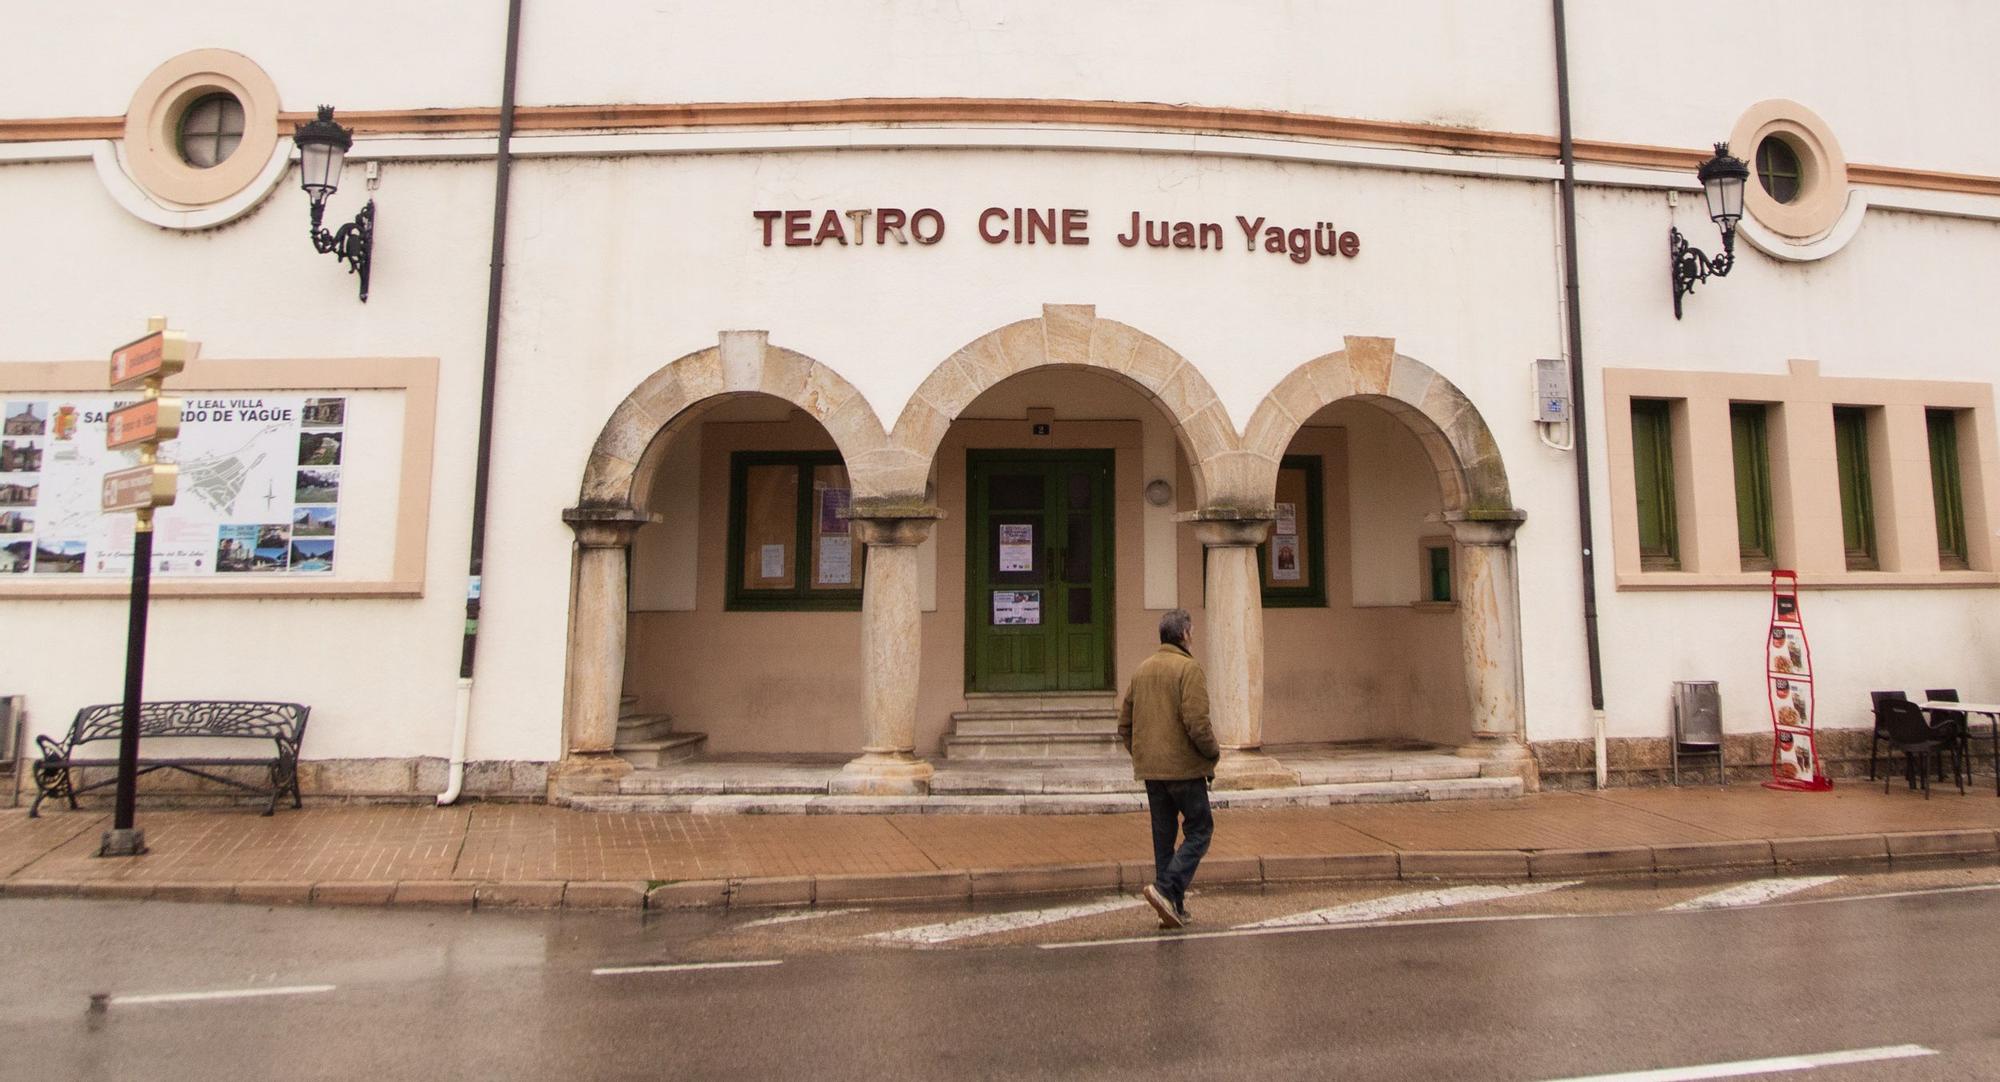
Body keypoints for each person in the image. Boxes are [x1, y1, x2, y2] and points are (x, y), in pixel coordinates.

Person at [1117, 608, 1218, 929]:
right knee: (1200, 830)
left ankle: (1171, 907)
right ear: (1185, 634)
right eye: (1192, 631)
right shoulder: (1189, 669)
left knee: (1164, 839)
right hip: (1185, 770)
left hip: (1152, 772)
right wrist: (1212, 754)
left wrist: (1143, 755)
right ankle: (1165, 889)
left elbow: (1125, 725)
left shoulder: (1142, 670)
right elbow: (1198, 724)